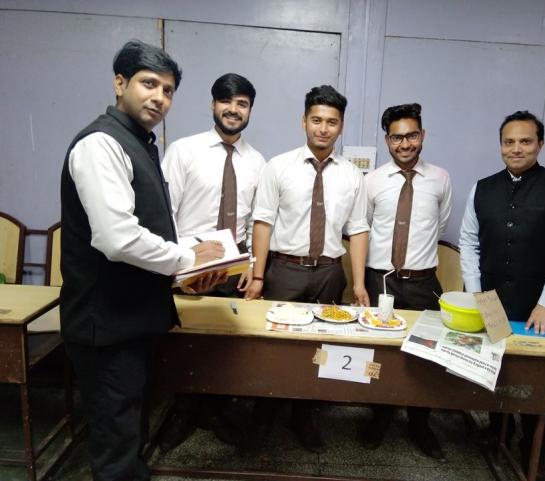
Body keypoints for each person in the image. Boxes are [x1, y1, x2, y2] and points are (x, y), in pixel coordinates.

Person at [60, 40, 225, 481]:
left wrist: (191, 268)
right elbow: (117, 239)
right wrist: (186, 257)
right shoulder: (101, 144)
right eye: (148, 84)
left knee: (129, 431)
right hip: (105, 327)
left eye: (168, 90)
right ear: (120, 83)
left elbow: (150, 228)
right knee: (116, 444)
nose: (159, 98)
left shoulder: (140, 143)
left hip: (132, 320)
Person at [459, 110, 545, 480]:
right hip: (491, 299)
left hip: (538, 304)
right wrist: (476, 294)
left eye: (525, 141)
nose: (516, 149)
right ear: (501, 145)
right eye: (509, 142)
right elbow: (468, 242)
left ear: (540, 144)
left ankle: (535, 443)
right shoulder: (482, 188)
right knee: (494, 368)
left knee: (535, 377)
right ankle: (498, 429)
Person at [244, 85, 370, 453]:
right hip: (284, 271)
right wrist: (257, 275)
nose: (323, 128)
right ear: (303, 122)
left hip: (329, 273)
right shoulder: (278, 166)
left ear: (341, 126)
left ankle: (303, 417)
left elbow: (358, 230)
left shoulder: (352, 175)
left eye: (331, 122)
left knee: (321, 349)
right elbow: (262, 222)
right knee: (274, 349)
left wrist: (359, 284)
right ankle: (263, 418)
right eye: (316, 120)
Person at [159, 73, 265, 451]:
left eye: (242, 103)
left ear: (250, 110)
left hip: (233, 268)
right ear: (213, 105)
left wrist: (252, 264)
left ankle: (215, 411)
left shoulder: (257, 161)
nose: (233, 110)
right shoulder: (183, 151)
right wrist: (179, 265)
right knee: (187, 343)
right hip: (189, 264)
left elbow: (256, 220)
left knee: (225, 345)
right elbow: (166, 214)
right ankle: (183, 413)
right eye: (226, 101)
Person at [361, 103, 452, 461]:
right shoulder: (372, 181)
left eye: (411, 135)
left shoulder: (440, 179)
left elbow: (440, 225)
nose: (405, 144)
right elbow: (365, 227)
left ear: (422, 135)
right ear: (387, 140)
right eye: (397, 137)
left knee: (425, 356)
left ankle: (419, 422)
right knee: (381, 354)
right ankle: (380, 416)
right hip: (380, 280)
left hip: (422, 281)